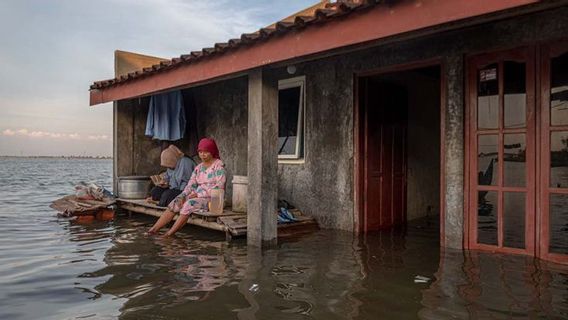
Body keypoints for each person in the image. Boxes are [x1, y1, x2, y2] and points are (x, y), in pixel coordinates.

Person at [147, 138, 226, 237]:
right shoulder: (199, 168)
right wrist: (183, 195)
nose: (202, 155)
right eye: (200, 152)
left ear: (212, 151)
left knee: (189, 203)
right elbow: (191, 184)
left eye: (206, 152)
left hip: (213, 200)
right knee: (177, 201)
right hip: (197, 197)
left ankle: (169, 234)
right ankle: (153, 229)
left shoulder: (218, 166)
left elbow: (219, 186)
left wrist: (198, 194)